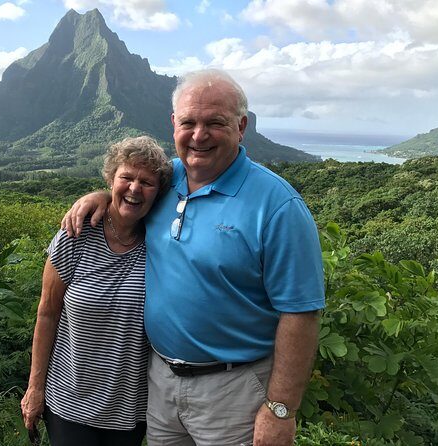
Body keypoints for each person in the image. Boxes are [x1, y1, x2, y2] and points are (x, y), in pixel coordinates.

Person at [62, 69, 325, 446]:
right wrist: (101, 198)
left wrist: (280, 409)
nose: (199, 136)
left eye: (215, 123)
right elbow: (130, 191)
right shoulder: (164, 179)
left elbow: (301, 312)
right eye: (189, 123)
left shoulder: (278, 206)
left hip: (234, 391)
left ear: (241, 126)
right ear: (174, 124)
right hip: (160, 382)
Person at [21, 136, 173, 446]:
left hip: (129, 409)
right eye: (126, 177)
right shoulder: (75, 235)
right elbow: (47, 313)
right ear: (110, 180)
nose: (134, 188)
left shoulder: (162, 242)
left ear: (158, 192)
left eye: (146, 182)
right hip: (68, 401)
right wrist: (35, 387)